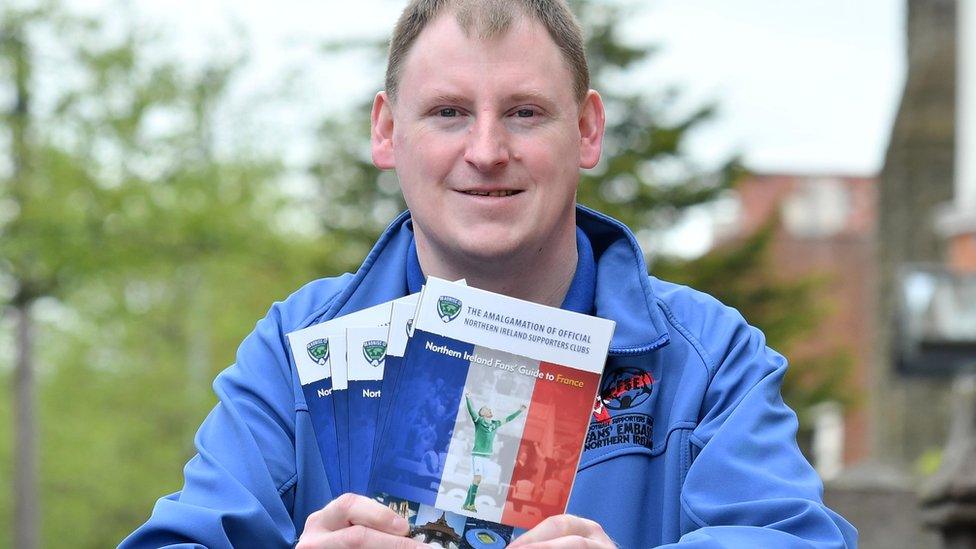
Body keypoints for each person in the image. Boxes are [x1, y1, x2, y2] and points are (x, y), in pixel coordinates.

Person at [122, 0, 857, 547]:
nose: (486, 148)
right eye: (447, 112)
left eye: (525, 112)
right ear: (386, 131)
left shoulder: (708, 358)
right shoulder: (295, 349)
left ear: (589, 130)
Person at [462, 393, 526, 512]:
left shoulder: (495, 424)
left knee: (477, 480)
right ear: (482, 413)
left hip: (487, 456)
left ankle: (466, 504)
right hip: (478, 454)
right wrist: (468, 398)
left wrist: (520, 411)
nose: (490, 409)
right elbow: (471, 411)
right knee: (477, 479)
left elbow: (508, 419)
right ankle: (471, 504)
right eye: (487, 409)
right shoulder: (479, 421)